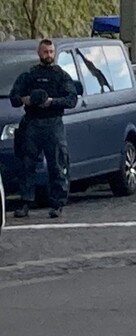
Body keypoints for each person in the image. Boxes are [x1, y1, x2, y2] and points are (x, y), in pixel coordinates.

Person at [8, 39, 77, 218]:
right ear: (39, 53)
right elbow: (14, 97)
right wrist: (26, 99)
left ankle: (57, 203)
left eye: (51, 52)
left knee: (57, 164)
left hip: (53, 123)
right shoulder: (29, 75)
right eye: (45, 52)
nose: (49, 55)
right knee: (27, 164)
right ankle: (25, 202)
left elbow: (72, 99)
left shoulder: (61, 76)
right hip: (32, 123)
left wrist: (52, 102)